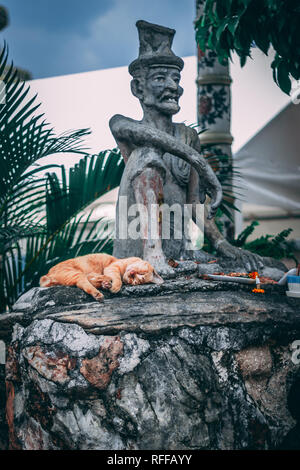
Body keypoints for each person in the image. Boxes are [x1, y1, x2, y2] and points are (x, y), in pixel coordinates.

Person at [110, 20, 264, 275]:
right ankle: (152, 252)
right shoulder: (122, 125)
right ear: (138, 88)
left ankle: (170, 255)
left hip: (180, 253)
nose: (173, 87)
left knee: (269, 271)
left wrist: (221, 243)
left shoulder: (188, 135)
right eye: (161, 78)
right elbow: (150, 138)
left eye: (176, 78)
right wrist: (200, 163)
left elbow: (193, 202)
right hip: (136, 254)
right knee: (147, 155)